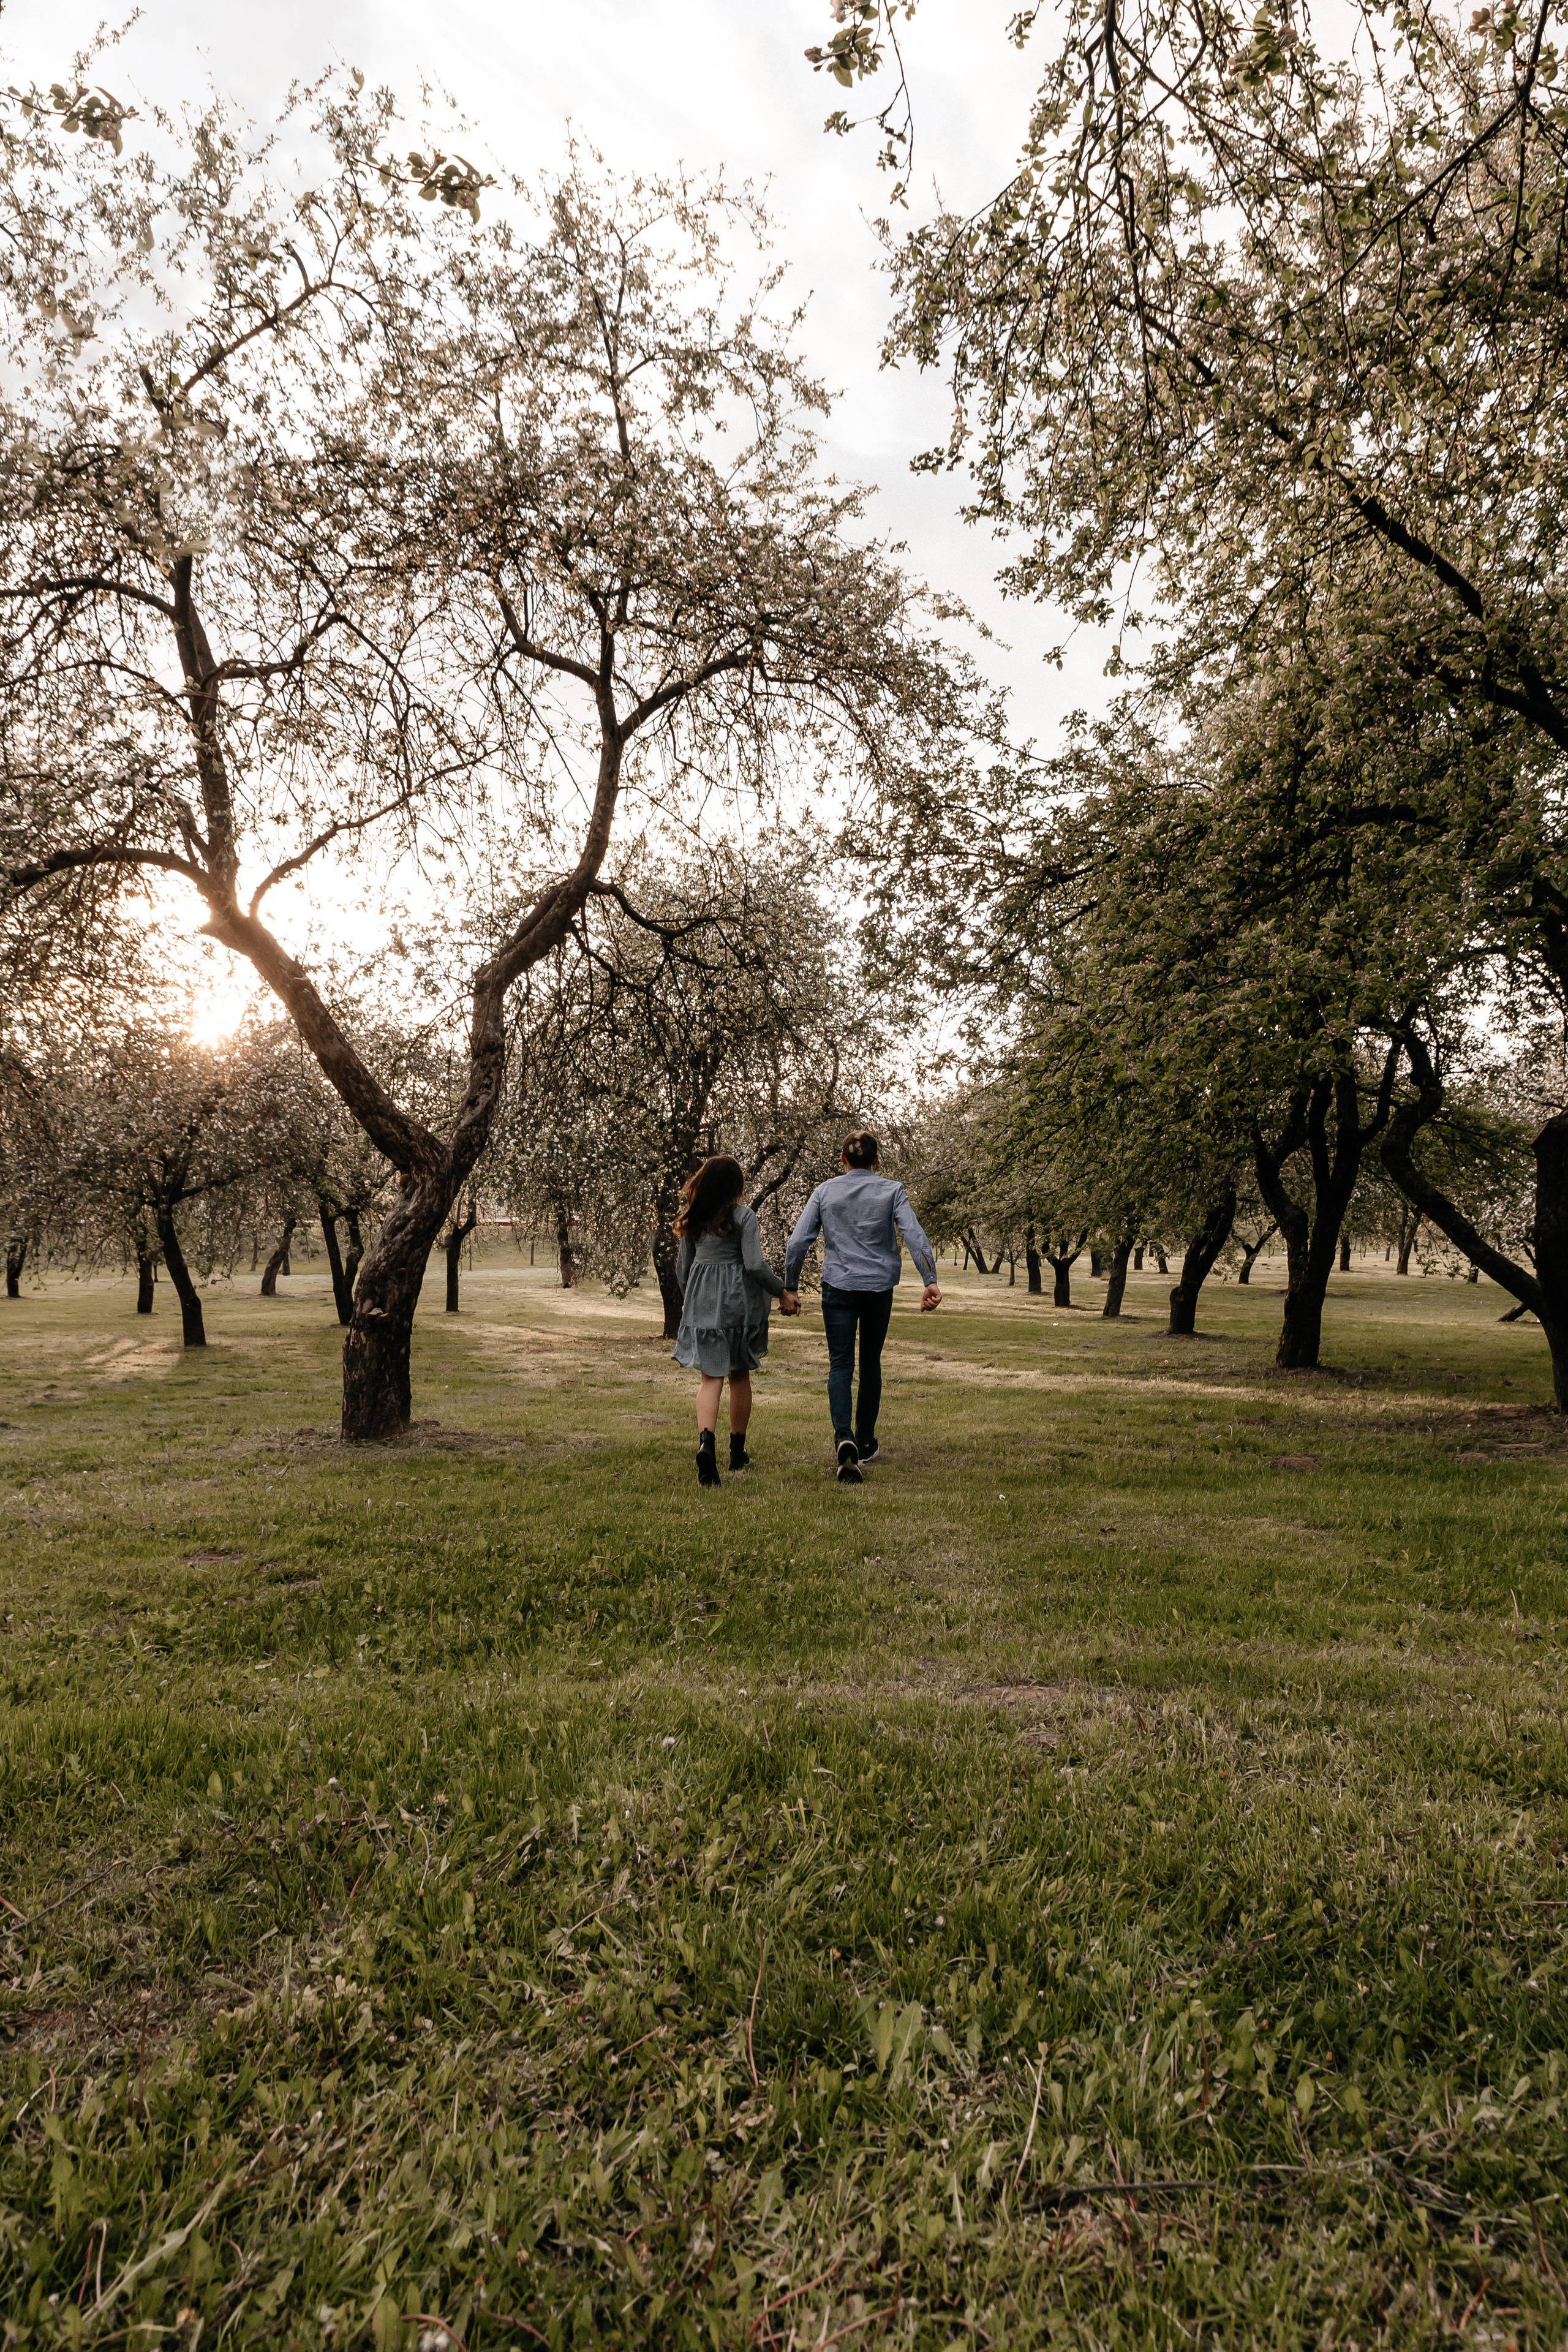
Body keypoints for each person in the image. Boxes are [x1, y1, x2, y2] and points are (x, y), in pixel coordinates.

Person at [782, 1131, 941, 1483]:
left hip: (838, 1287)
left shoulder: (824, 1192)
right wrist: (929, 1278)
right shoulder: (893, 1191)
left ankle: (844, 1437)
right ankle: (865, 1442)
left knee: (840, 1363)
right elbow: (914, 1234)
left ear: (843, 1160)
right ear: (877, 1160)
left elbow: (798, 1241)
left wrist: (789, 1286)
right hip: (877, 1289)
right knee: (870, 1362)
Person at [671, 1154, 785, 1487]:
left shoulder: (695, 1218)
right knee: (738, 1374)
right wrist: (781, 1291)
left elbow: (683, 1269)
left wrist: (690, 1300)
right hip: (738, 1304)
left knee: (710, 1379)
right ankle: (737, 1452)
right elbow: (754, 1265)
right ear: (736, 1186)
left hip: (703, 1302)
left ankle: (707, 1444)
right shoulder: (745, 1217)